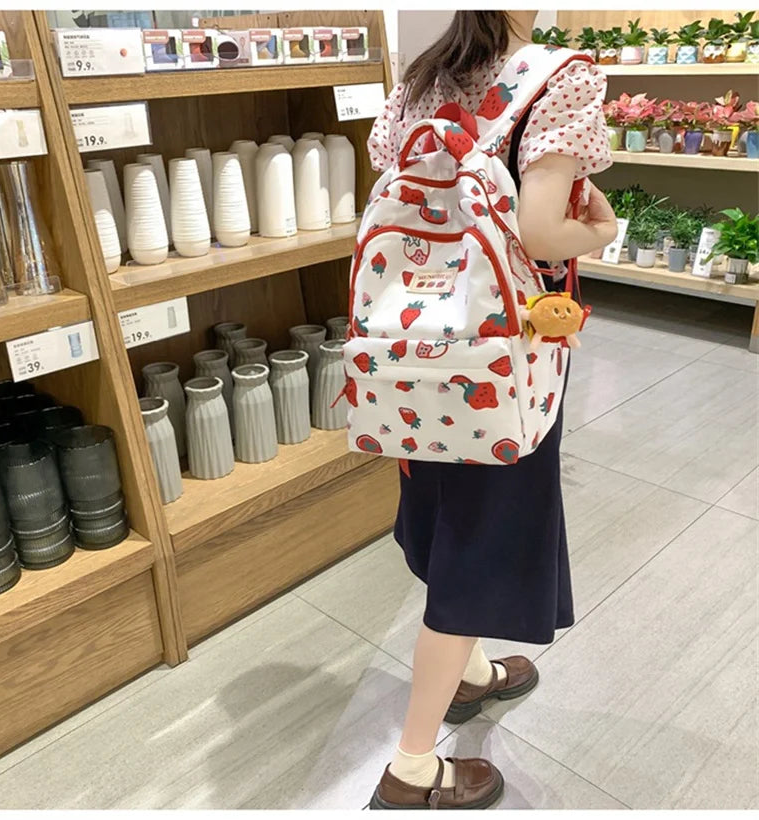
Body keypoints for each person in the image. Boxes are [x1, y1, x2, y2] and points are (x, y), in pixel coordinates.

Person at [366, 10, 618, 810]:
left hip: (414, 340)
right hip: (503, 358)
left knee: (443, 508)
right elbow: (541, 228)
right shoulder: (559, 76)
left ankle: (470, 675)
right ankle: (411, 767)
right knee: (488, 536)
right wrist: (604, 229)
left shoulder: (422, 76)